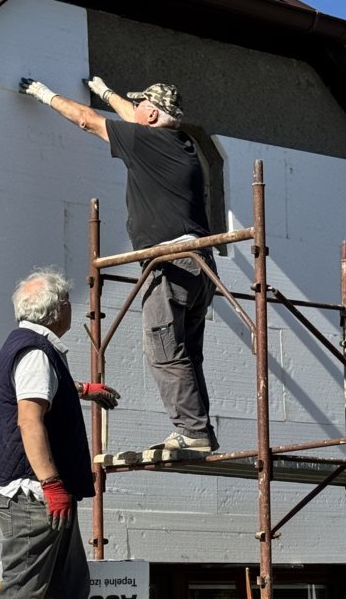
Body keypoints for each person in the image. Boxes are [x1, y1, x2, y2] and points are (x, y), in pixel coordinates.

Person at [17, 74, 217, 453]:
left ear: (152, 114)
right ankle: (199, 430)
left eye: (140, 105)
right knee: (187, 354)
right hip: (199, 265)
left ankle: (191, 432)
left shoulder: (145, 142)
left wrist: (46, 94)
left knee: (163, 348)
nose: (134, 108)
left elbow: (86, 120)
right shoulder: (182, 143)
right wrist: (106, 93)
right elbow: (135, 117)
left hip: (169, 263)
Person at [0, 268, 125, 599]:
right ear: (58, 310)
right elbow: (29, 420)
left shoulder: (31, 348)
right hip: (33, 497)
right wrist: (53, 484)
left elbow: (41, 391)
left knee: (68, 587)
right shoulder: (36, 352)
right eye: (68, 304)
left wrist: (81, 390)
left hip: (41, 495)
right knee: (25, 588)